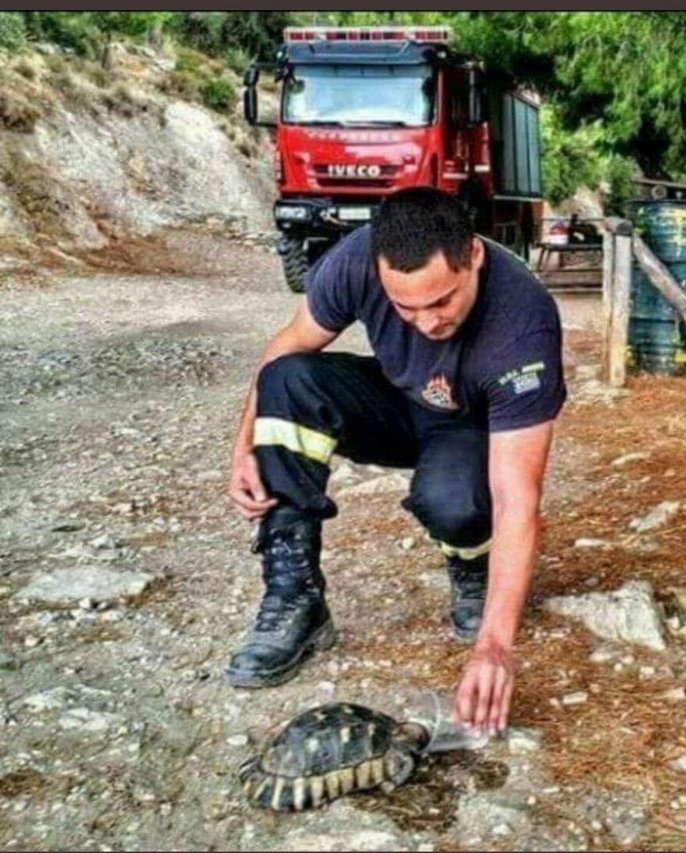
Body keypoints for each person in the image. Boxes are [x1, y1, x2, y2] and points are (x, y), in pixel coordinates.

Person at [226, 187, 566, 736]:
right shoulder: (356, 260)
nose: (425, 322)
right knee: (288, 381)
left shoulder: (523, 325)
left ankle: (472, 566)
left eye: (442, 302)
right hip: (393, 404)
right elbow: (284, 347)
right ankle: (296, 598)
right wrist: (243, 447)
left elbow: (518, 498)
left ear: (473, 257)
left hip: (466, 428)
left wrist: (495, 646)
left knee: (456, 500)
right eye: (405, 307)